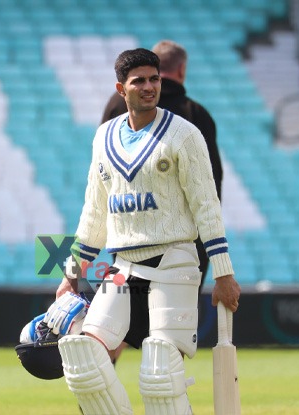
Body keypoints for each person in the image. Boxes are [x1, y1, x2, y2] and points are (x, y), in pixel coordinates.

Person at [55, 48, 240, 415]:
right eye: (139, 80)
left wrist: (223, 274)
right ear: (121, 88)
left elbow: (207, 206)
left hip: (174, 260)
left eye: (154, 79)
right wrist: (72, 274)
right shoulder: (104, 137)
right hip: (122, 264)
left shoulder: (185, 134)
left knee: (160, 374)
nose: (149, 86)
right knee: (83, 360)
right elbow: (94, 212)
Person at [101, 39, 223, 291]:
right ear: (181, 70)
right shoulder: (195, 115)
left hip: (127, 242)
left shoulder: (115, 107)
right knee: (176, 325)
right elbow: (210, 186)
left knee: (128, 322)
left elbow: (104, 178)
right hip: (182, 250)